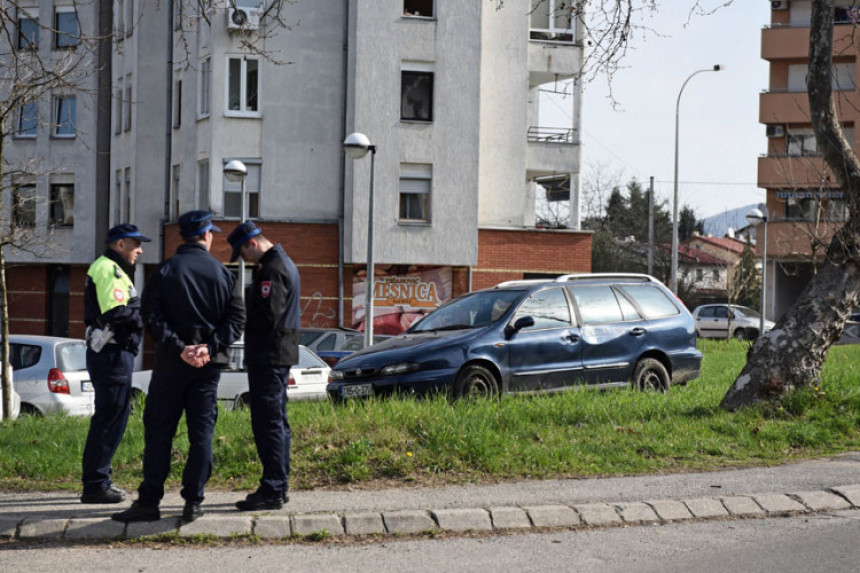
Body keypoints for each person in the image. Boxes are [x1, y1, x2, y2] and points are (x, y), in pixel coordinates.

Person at [112, 211, 245, 523]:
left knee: (159, 433)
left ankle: (149, 502)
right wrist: (208, 348)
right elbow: (236, 320)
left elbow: (151, 315)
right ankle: (193, 501)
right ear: (207, 236)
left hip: (171, 366)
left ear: (182, 237)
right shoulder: (224, 274)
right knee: (202, 434)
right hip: (207, 369)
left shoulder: (165, 270)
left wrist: (179, 347)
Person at [227, 221, 301, 511]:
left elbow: (267, 315)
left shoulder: (272, 268)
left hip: (269, 356)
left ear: (252, 244)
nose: (243, 260)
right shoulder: (284, 262)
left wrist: (244, 305)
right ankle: (279, 486)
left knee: (268, 423)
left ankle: (272, 488)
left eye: (242, 253)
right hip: (278, 355)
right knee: (277, 423)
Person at [81, 224, 151, 504]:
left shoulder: (113, 268)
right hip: (111, 354)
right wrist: (144, 311)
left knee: (113, 417)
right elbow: (118, 313)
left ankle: (99, 480)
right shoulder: (108, 268)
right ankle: (96, 484)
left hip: (113, 354)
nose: (140, 250)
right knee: (109, 419)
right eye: (135, 244)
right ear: (120, 244)